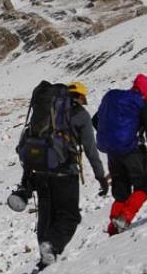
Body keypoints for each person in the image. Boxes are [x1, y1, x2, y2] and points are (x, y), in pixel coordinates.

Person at [9, 81, 107, 270]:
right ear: (79, 97)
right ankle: (51, 248)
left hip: (40, 173)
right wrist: (100, 176)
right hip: (65, 173)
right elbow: (90, 149)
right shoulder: (80, 115)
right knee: (70, 216)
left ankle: (44, 260)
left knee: (46, 218)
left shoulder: (46, 112)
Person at [93, 74, 147, 235]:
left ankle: (113, 228)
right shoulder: (143, 103)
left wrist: (114, 133)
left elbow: (95, 120)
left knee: (121, 192)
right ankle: (125, 218)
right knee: (144, 187)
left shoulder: (115, 98)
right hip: (132, 151)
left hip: (112, 153)